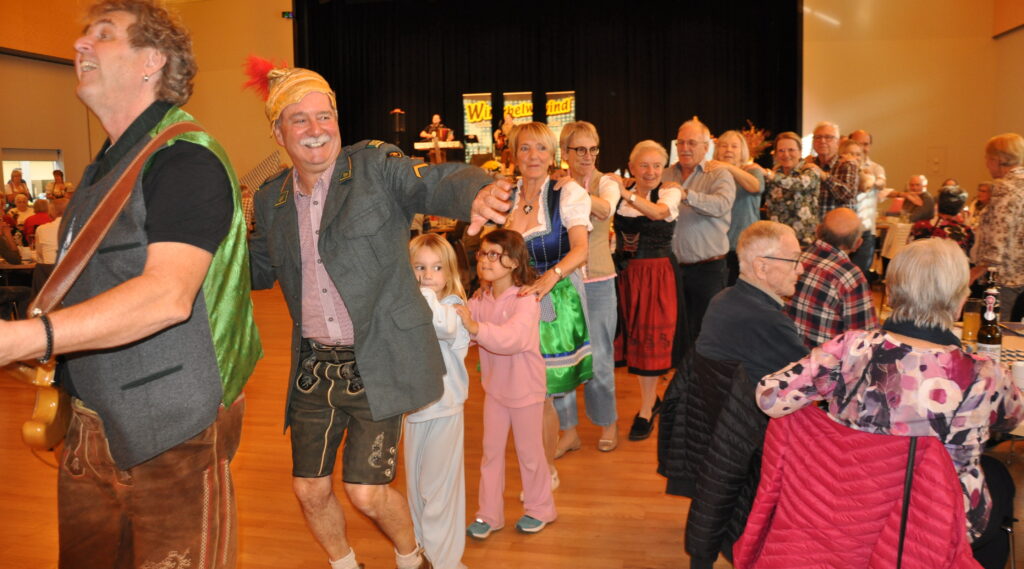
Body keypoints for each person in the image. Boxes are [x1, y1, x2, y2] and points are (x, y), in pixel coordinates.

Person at [0, 1, 262, 567]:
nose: (80, 45)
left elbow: (167, 297)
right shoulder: (105, 167)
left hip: (174, 435)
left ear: (152, 61)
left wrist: (21, 338)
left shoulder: (185, 159)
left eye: (104, 34)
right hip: (91, 427)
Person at [247, 62, 510, 569]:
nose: (316, 129)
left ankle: (413, 559)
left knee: (366, 493)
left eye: (324, 116)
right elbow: (255, 269)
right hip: (314, 367)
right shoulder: (271, 197)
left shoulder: (372, 166)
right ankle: (346, 564)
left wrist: (474, 190)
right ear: (278, 133)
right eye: (299, 119)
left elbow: (428, 181)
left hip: (378, 360)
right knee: (308, 489)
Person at [758, 237, 1024, 569]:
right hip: (937, 522)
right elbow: (1014, 419)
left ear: (893, 294)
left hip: (851, 506)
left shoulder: (850, 348)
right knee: (1000, 481)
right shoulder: (982, 373)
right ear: (958, 303)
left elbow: (769, 397)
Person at [503, 121, 592, 484]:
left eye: (541, 148)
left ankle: (544, 471)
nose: (533, 156)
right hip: (510, 301)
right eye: (525, 148)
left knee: (539, 394)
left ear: (553, 154)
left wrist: (549, 278)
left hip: (552, 301)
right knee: (518, 394)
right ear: (513, 155)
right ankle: (533, 464)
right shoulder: (503, 195)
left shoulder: (566, 193)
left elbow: (581, 250)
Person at [457, 229, 556, 538]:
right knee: (490, 454)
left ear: (513, 262)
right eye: (482, 254)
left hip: (526, 390)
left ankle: (540, 509)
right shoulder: (480, 298)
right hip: (495, 390)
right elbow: (465, 332)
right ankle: (489, 515)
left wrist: (474, 327)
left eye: (494, 255)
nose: (485, 261)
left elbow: (513, 339)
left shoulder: (527, 299)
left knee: (530, 453)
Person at [552, 121, 620, 455]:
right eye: (580, 149)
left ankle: (608, 423)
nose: (588, 156)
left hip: (599, 282)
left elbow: (606, 209)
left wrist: (571, 189)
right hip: (562, 282)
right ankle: (568, 431)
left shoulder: (607, 182)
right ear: (565, 152)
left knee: (601, 359)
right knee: (561, 357)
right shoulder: (553, 184)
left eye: (593, 149)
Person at [405, 234, 470, 569]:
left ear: (449, 273)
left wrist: (423, 294)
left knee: (438, 491)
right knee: (416, 491)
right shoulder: (413, 306)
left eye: (436, 268)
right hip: (414, 411)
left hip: (445, 409)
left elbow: (440, 327)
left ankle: (445, 562)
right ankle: (423, 557)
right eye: (419, 267)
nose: (427, 275)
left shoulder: (452, 307)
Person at [614, 140, 683, 441]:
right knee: (633, 339)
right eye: (644, 165)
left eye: (657, 165)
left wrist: (625, 193)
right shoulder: (620, 192)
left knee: (651, 341)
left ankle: (645, 410)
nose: (651, 171)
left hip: (657, 276)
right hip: (627, 275)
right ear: (632, 167)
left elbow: (657, 213)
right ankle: (651, 401)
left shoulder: (670, 192)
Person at [696, 220, 808, 382]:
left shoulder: (722, 298)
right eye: (794, 260)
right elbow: (815, 379)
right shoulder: (769, 321)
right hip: (747, 398)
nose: (801, 269)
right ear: (761, 267)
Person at [663, 118, 735, 348]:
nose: (685, 148)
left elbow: (721, 205)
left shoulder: (719, 175)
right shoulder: (665, 174)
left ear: (706, 147)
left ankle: (703, 372)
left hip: (708, 269)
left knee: (707, 332)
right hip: (673, 268)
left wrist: (686, 195)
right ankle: (681, 371)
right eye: (680, 143)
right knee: (677, 331)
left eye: (692, 143)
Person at [787, 207, 879, 349]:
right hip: (821, 359)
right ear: (858, 244)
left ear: (817, 230)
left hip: (786, 350)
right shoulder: (849, 276)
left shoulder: (794, 258)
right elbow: (864, 340)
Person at [971, 133, 1024, 320]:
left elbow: (1000, 232)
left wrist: (981, 268)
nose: (986, 164)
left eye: (987, 159)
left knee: (994, 327)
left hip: (1004, 276)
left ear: (997, 160)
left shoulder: (1004, 187)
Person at [708, 129, 764, 286]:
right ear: (717, 150)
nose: (728, 150)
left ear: (742, 151)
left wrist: (728, 167)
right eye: (724, 146)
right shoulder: (711, 173)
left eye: (734, 146)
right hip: (717, 245)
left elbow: (756, 186)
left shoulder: (753, 170)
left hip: (745, 244)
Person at [764, 131, 821, 246]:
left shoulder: (810, 171)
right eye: (781, 150)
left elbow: (797, 184)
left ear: (800, 152)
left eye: (791, 150)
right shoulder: (775, 173)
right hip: (777, 238)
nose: (786, 154)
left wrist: (771, 176)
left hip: (803, 240)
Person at [848, 129, 888, 277]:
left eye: (866, 144)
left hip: (865, 232)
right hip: (844, 230)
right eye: (858, 143)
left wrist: (871, 181)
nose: (862, 148)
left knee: (859, 275)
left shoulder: (875, 168)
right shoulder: (842, 166)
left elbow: (882, 182)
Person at [805, 121, 859, 216]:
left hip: (840, 223)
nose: (822, 141)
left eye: (828, 137)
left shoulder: (846, 164)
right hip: (813, 223)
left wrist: (824, 176)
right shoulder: (808, 164)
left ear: (837, 142)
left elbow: (847, 195)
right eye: (818, 137)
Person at [911, 184, 974, 255]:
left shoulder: (919, 226)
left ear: (937, 204)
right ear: (960, 208)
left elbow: (909, 252)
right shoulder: (965, 232)